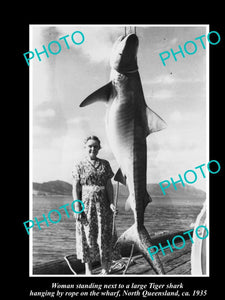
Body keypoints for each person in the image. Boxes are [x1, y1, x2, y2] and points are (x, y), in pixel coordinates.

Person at [72, 135, 117, 275]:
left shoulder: (105, 164)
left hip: (103, 206)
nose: (93, 149)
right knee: (87, 236)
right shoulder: (79, 165)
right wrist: (77, 207)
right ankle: (88, 270)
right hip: (86, 206)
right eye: (90, 146)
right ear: (85, 148)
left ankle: (105, 268)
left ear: (99, 148)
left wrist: (111, 203)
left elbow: (109, 186)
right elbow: (75, 188)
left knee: (105, 235)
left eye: (95, 146)